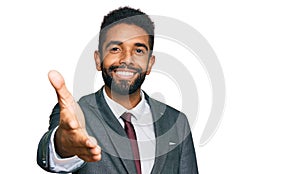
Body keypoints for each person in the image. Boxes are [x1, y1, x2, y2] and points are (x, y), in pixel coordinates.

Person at [37, 6, 198, 174]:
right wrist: (63, 144)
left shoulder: (177, 122)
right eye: (115, 49)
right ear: (98, 60)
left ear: (150, 63)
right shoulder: (76, 115)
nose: (127, 59)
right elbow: (52, 154)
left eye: (138, 50)